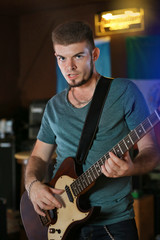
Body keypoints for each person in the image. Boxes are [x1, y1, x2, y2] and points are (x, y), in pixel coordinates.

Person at [25, 20, 160, 240]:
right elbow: (39, 157)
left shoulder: (124, 92)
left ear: (95, 54)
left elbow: (151, 150)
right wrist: (32, 187)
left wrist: (131, 168)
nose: (69, 67)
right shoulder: (54, 106)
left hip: (113, 224)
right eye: (62, 58)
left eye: (78, 56)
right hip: (60, 220)